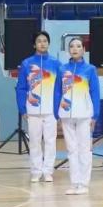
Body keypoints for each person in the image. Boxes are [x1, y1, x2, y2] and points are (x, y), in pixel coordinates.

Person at [54, 37, 99, 196]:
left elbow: (95, 92)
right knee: (71, 149)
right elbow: (57, 92)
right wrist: (56, 112)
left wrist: (95, 115)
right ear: (68, 50)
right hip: (66, 114)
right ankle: (74, 183)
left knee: (84, 149)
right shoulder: (62, 69)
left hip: (85, 115)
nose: (75, 49)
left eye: (78, 46)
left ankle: (84, 183)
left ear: (83, 50)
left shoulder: (90, 69)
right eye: (72, 46)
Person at [15, 31, 61, 184]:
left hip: (51, 111)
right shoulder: (26, 64)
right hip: (32, 110)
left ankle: (48, 171)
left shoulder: (56, 64)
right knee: (34, 142)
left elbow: (61, 88)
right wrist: (22, 108)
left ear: (49, 43)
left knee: (50, 142)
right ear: (34, 45)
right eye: (39, 41)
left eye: (45, 41)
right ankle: (36, 171)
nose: (42, 43)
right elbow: (21, 88)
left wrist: (59, 108)